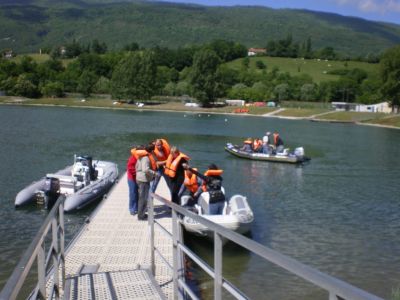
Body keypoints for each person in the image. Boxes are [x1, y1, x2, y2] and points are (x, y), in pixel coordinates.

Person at [136, 144, 158, 221]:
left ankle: (141, 213)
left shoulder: (141, 156)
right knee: (143, 198)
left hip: (139, 178)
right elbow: (145, 169)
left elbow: (137, 167)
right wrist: (154, 173)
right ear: (152, 151)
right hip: (143, 180)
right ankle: (141, 216)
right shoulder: (146, 158)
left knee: (141, 197)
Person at [126, 150, 138, 215]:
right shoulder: (132, 158)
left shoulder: (141, 157)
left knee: (137, 193)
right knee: (133, 193)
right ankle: (132, 208)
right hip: (132, 178)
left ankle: (137, 207)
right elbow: (130, 168)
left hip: (138, 178)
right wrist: (138, 173)